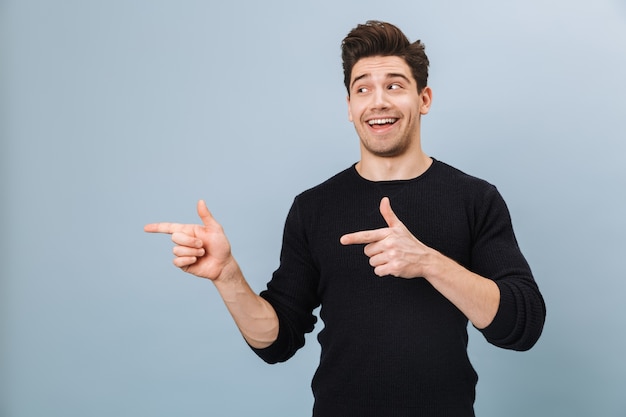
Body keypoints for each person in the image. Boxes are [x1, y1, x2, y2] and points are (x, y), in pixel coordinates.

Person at [144, 20, 546, 417]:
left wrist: (428, 262)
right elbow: (276, 342)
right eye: (362, 89)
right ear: (350, 108)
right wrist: (226, 275)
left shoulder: (475, 198)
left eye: (394, 85)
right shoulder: (313, 207)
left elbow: (522, 325)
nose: (378, 101)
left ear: (423, 100)